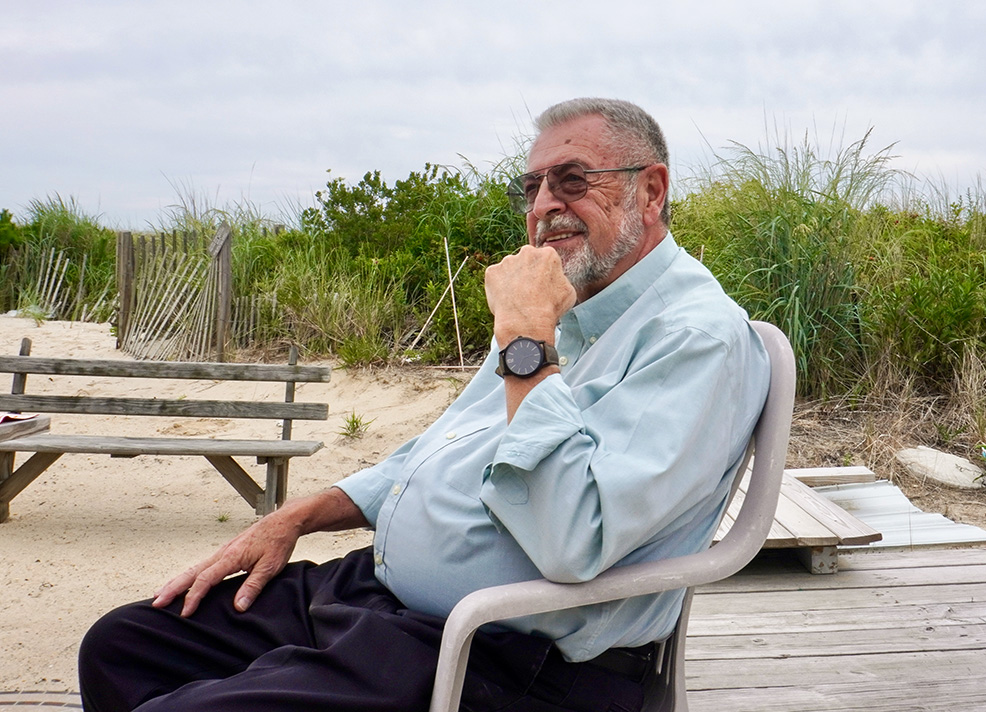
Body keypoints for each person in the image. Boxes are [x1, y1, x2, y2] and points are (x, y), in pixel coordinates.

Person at [79, 98, 770, 712]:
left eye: (572, 180)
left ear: (651, 190)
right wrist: (299, 516)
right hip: (377, 598)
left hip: (504, 653)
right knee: (122, 647)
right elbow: (435, 452)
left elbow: (573, 540)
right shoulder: (573, 311)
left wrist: (526, 338)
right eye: (531, 187)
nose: (542, 207)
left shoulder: (695, 338)